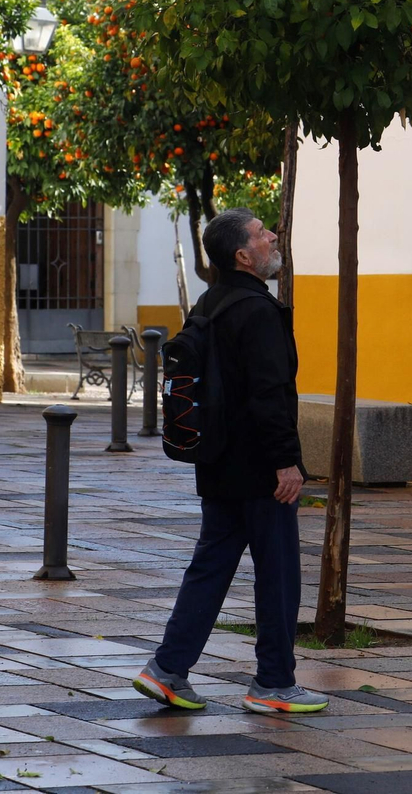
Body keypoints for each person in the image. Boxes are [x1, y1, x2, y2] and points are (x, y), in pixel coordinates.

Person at [133, 208, 329, 715]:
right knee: (279, 572)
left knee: (211, 566)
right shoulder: (258, 310)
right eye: (262, 234)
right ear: (244, 255)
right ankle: (274, 684)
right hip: (260, 468)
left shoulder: (210, 303)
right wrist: (287, 463)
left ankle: (167, 670)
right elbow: (269, 395)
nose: (272, 237)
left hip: (217, 461)